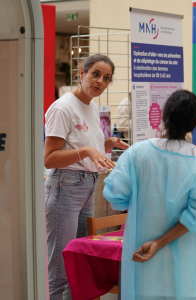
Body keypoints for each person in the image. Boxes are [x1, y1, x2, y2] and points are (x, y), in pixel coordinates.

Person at [103, 89, 196, 300]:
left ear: (163, 116)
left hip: (142, 254)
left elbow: (116, 196)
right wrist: (160, 242)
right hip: (187, 259)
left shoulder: (136, 153)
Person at [44, 54, 129, 300]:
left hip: (87, 186)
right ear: (81, 73)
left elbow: (83, 149)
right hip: (65, 187)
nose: (100, 81)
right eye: (95, 74)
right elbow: (49, 158)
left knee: (80, 263)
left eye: (106, 78)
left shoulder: (91, 106)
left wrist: (105, 144)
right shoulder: (62, 107)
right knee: (61, 268)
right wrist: (88, 150)